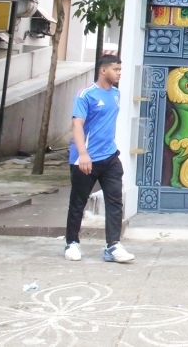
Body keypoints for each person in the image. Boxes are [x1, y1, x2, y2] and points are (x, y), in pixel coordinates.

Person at [63, 54, 135, 263]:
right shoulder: (86, 95)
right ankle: (72, 243)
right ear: (104, 70)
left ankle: (112, 246)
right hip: (85, 158)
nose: (119, 73)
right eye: (116, 69)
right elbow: (77, 125)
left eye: (120, 70)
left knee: (115, 200)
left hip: (110, 157)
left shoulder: (116, 94)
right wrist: (83, 154)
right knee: (78, 201)